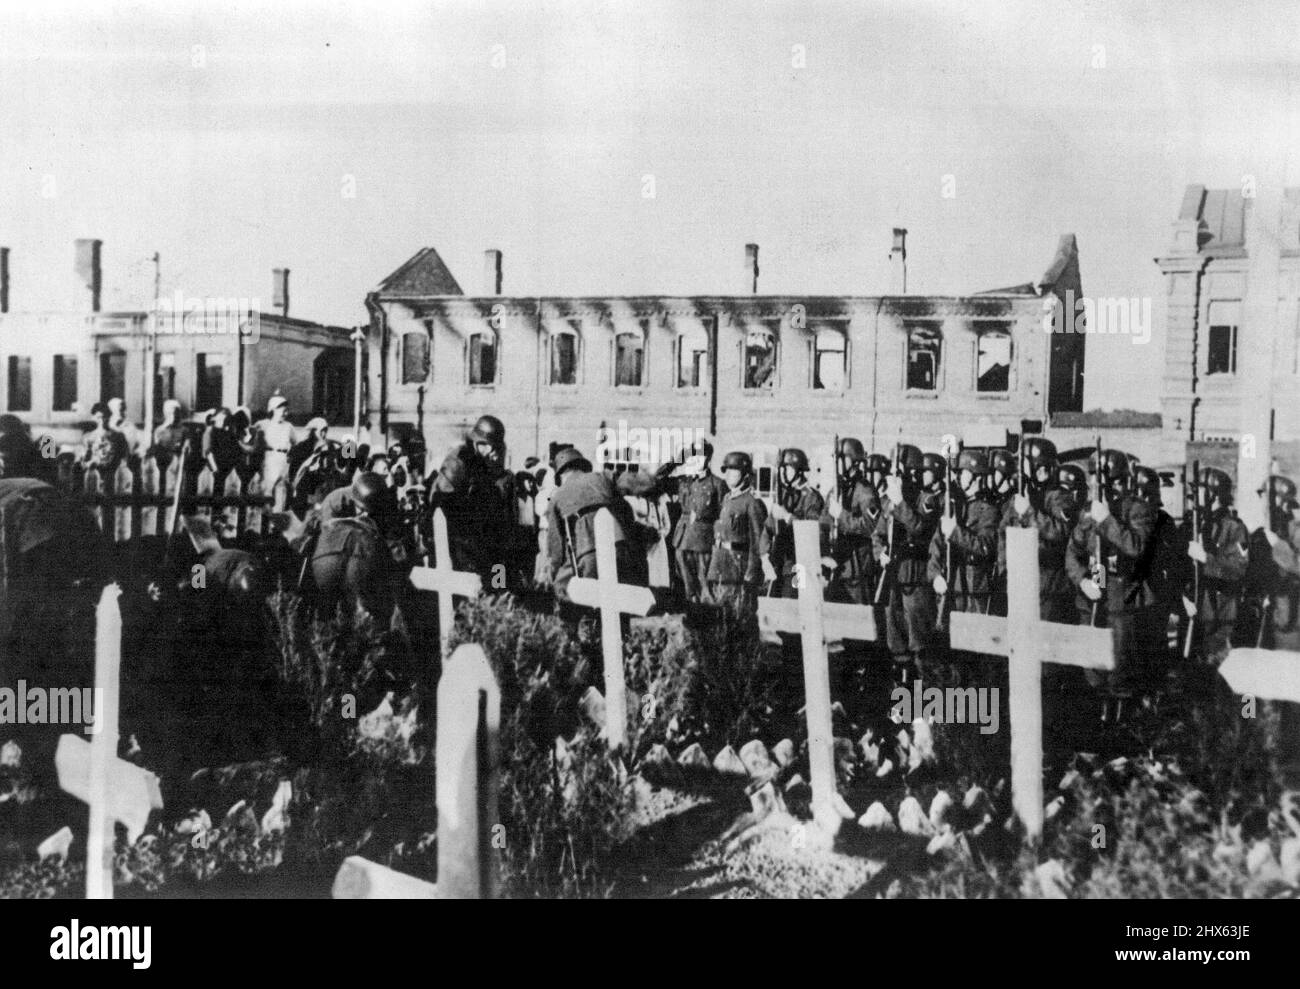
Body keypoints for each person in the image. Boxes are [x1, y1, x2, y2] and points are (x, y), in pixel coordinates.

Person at [1065, 449, 1156, 719]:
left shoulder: (1137, 509)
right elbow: (1073, 552)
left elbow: (1137, 547)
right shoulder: (1088, 512)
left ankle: (1121, 732)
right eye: (1098, 479)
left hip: (1121, 598)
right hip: (1094, 596)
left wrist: (1107, 520)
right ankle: (1097, 729)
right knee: (1092, 669)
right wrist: (1082, 580)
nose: (1105, 486)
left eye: (1112, 481)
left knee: (1119, 669)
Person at [426, 414, 534, 592]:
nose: (492, 452)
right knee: (464, 592)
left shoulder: (484, 465)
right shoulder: (458, 462)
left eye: (495, 447)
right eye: (487, 446)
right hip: (457, 541)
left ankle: (498, 598)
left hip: (484, 541)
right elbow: (439, 503)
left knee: (496, 576)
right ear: (477, 443)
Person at [873, 445, 937, 684]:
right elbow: (878, 535)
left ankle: (925, 709)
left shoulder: (927, 500)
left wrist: (900, 503)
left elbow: (920, 529)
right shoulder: (890, 503)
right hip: (893, 578)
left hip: (916, 577)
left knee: (919, 644)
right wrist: (880, 554)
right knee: (896, 643)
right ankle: (902, 701)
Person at [1184, 466, 1249, 667]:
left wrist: (1206, 558)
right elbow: (1177, 569)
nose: (1193, 497)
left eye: (1199, 491)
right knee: (1192, 676)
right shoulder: (1192, 524)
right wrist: (1183, 598)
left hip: (1221, 615)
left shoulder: (1234, 527)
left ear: (1214, 494)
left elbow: (1238, 570)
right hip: (1194, 611)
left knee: (1218, 672)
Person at [928, 448, 998, 617]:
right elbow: (936, 544)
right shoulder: (953, 505)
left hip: (976, 586)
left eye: (964, 472)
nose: (958, 477)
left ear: (976, 476)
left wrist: (955, 532)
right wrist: (935, 574)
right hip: (952, 583)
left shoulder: (988, 510)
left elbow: (985, 547)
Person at [706, 451, 771, 612]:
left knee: (740, 615)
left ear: (745, 475)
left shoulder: (752, 503)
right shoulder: (727, 499)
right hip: (720, 565)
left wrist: (751, 573)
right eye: (726, 470)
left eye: (733, 470)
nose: (728, 475)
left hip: (738, 569)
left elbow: (758, 540)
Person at [668, 438, 730, 605]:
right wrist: (676, 461)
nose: (694, 461)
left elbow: (723, 515)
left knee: (705, 584)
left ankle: (707, 617)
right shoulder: (683, 481)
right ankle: (692, 614)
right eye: (691, 457)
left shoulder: (717, 484)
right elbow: (658, 479)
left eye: (699, 457)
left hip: (704, 540)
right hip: (682, 539)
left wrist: (719, 540)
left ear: (708, 460)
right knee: (687, 584)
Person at [824, 437, 882, 605]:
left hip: (857, 570)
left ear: (854, 460)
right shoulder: (835, 491)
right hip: (836, 567)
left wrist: (841, 514)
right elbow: (823, 523)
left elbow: (869, 526)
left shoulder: (865, 491)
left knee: (858, 623)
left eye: (843, 458)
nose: (839, 462)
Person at [767, 447, 826, 597]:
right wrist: (764, 557)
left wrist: (787, 517)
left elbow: (813, 532)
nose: (784, 473)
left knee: (792, 603)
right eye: (783, 469)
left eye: (788, 469)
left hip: (799, 564)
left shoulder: (810, 497)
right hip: (779, 561)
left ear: (799, 471)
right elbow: (768, 527)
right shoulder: (783, 496)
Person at [254, 395, 297, 507]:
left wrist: (290, 455)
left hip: (283, 460)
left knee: (281, 490)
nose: (285, 413)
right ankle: (265, 519)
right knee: (267, 489)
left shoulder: (289, 427)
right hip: (269, 458)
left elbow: (295, 444)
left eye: (286, 411)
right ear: (273, 409)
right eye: (282, 410)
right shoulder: (264, 424)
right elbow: (252, 437)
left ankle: (278, 518)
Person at [82, 401, 130, 476]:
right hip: (94, 475)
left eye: (104, 417)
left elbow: (124, 459)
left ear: (109, 417)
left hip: (113, 475)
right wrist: (90, 463)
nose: (102, 420)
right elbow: (84, 462)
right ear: (94, 418)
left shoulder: (119, 436)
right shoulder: (89, 437)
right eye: (99, 417)